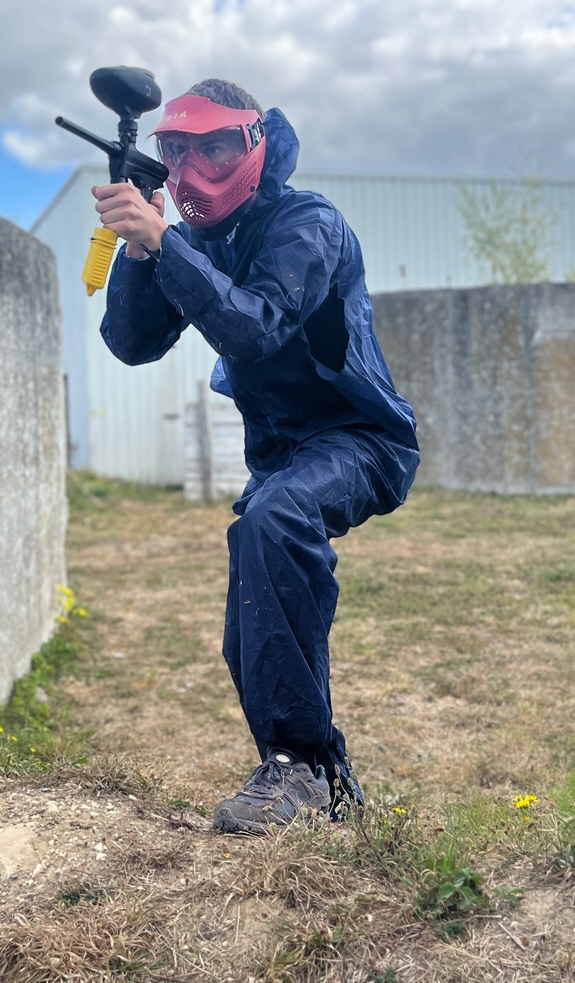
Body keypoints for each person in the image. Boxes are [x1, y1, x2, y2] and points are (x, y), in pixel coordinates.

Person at [93, 79, 419, 834]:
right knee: (255, 621)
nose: (194, 169)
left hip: (363, 440)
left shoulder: (306, 224)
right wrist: (140, 248)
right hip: (281, 459)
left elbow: (256, 326)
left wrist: (165, 242)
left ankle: (297, 767)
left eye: (213, 148)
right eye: (178, 152)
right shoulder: (196, 240)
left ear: (254, 144)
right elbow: (133, 343)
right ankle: (323, 785)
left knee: (275, 519)